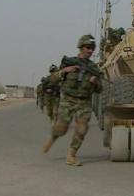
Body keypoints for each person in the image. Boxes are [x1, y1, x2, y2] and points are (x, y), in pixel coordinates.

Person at [42, 34, 102, 166]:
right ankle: (53, 137)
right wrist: (64, 71)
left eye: (92, 48)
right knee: (61, 128)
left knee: (82, 129)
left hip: (84, 102)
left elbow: (99, 89)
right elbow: (51, 80)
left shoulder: (93, 68)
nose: (91, 51)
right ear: (81, 47)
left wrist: (95, 82)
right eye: (88, 47)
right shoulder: (69, 63)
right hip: (68, 100)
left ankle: (71, 155)